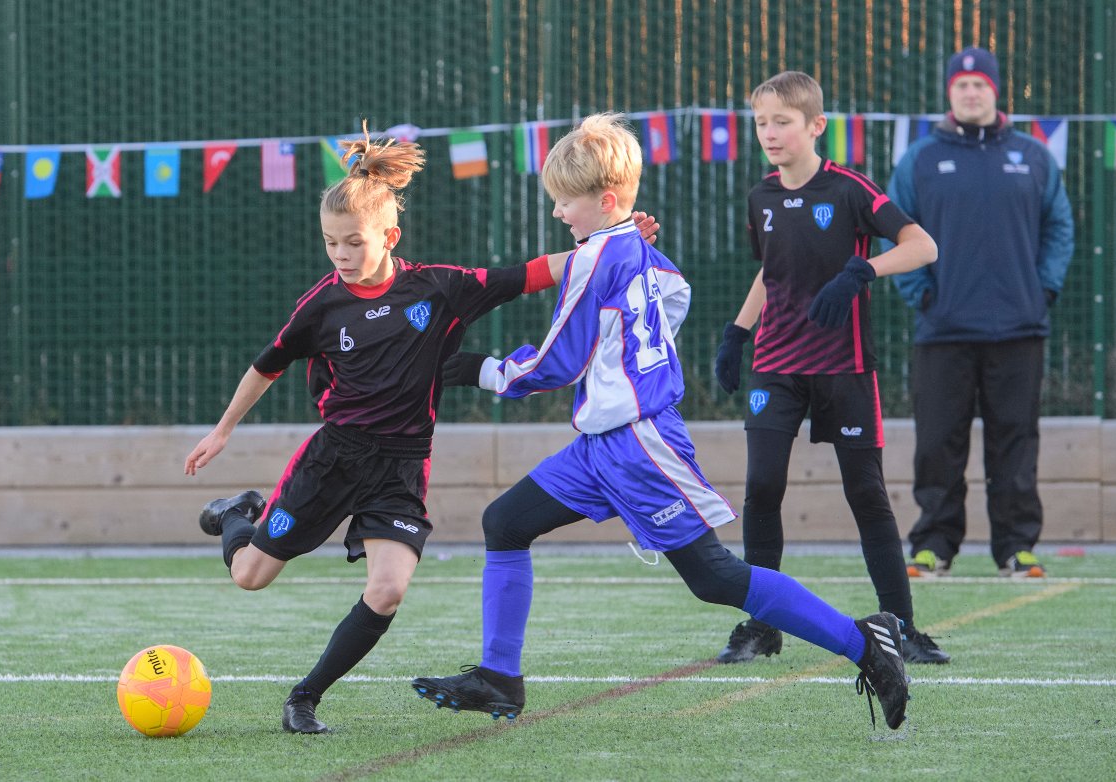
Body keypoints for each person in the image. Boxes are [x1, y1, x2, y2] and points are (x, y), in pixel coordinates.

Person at [410, 112, 912, 731]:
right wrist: (630, 343)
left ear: (609, 200)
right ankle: (498, 677)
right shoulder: (633, 248)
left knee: (715, 577)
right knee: (505, 522)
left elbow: (555, 361)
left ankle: (867, 644)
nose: (558, 214)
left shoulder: (598, 256)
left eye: (565, 202)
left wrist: (474, 369)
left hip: (638, 443)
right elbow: (675, 292)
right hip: (600, 445)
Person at [183, 126, 658, 734]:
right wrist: (222, 432)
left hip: (402, 465)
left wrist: (615, 242)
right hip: (334, 457)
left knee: (387, 591)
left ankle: (304, 698)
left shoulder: (439, 288)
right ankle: (236, 513)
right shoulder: (321, 305)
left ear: (390, 236)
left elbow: (536, 272)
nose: (340, 255)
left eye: (353, 242)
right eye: (330, 244)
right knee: (248, 575)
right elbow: (266, 365)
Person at [713, 71, 950, 666]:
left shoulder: (849, 190)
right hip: (776, 365)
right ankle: (762, 625)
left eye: (782, 122)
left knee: (865, 493)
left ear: (815, 126)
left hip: (845, 368)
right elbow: (770, 273)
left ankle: (903, 629)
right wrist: (737, 333)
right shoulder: (759, 196)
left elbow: (923, 247)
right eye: (761, 122)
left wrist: (862, 271)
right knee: (762, 488)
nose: (770, 132)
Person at [887, 47, 1075, 580]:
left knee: (1015, 442)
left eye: (981, 85)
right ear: (950, 93)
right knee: (937, 444)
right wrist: (920, 293)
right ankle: (934, 545)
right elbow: (896, 230)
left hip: (1019, 328)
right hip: (943, 329)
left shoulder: (1033, 156)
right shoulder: (920, 159)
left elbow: (1060, 227)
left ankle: (1017, 548)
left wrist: (1044, 290)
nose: (972, 93)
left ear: (996, 92)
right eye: (962, 85)